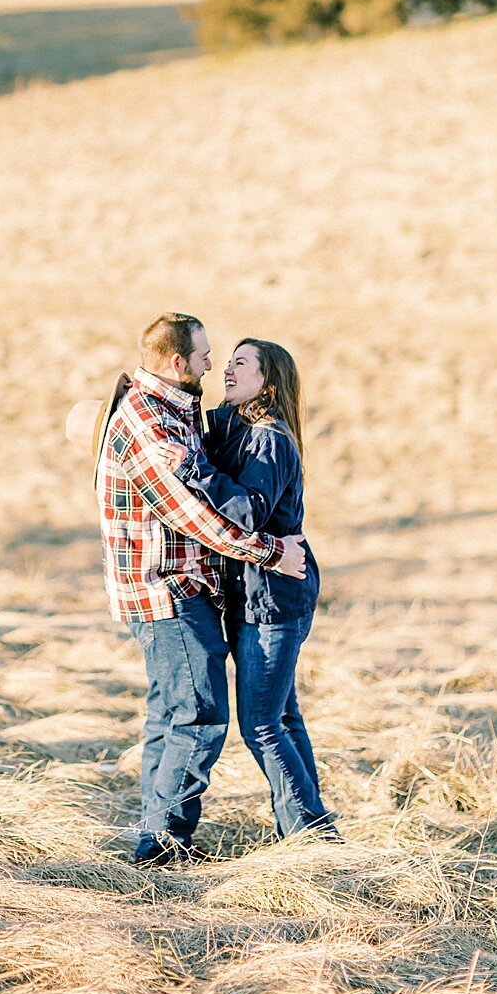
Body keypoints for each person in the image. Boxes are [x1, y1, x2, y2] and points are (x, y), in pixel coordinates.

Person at [87, 312, 308, 867]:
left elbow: (237, 494)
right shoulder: (152, 421)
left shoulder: (186, 412)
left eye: (235, 360)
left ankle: (164, 838)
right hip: (171, 590)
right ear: (178, 362)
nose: (217, 365)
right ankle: (164, 847)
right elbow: (193, 516)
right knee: (198, 715)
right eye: (211, 355)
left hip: (217, 593)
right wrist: (272, 551)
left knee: (185, 716)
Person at [182, 337, 339, 841]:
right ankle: (315, 833)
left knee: (262, 726)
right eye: (227, 361)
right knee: (283, 717)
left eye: (241, 363)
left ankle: (310, 836)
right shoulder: (233, 431)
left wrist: (195, 471)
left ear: (266, 382)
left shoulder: (268, 438)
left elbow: (248, 511)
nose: (227, 368)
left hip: (273, 600)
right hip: (255, 594)